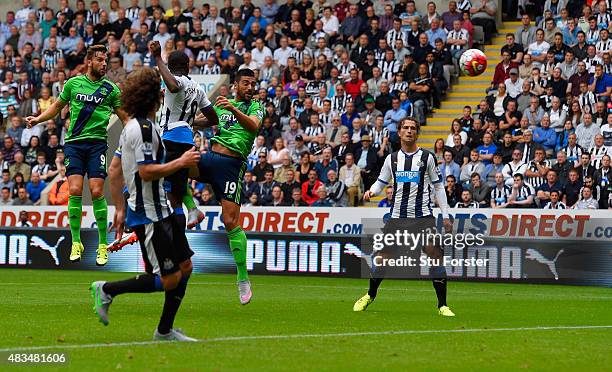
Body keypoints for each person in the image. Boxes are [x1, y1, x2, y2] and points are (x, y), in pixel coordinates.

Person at [93, 67, 200, 341]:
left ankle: (164, 330)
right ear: (155, 96)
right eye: (159, 90)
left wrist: (118, 206)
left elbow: (115, 170)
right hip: (149, 213)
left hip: (160, 208)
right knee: (168, 278)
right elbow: (146, 171)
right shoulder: (142, 129)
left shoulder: (137, 126)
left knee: (185, 267)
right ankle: (107, 289)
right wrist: (181, 162)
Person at [26, 44, 128, 266]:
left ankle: (102, 245)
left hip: (97, 145)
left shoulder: (111, 89)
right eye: (100, 60)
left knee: (96, 190)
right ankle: (76, 242)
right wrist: (37, 119)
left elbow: (124, 118)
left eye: (106, 61)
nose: (104, 64)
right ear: (89, 62)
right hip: (73, 144)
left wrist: (137, 135)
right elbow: (56, 107)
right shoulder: (73, 84)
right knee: (73, 190)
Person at [354, 117, 454, 317]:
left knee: (436, 255)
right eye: (405, 128)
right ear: (399, 132)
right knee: (382, 259)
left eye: (413, 128)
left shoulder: (427, 157)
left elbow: (438, 186)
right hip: (397, 219)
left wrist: (445, 215)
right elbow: (381, 182)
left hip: (423, 217)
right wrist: (372, 192)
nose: (409, 131)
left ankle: (442, 305)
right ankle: (370, 295)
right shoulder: (391, 159)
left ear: (417, 133)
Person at [188, 68, 263, 305]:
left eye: (253, 84)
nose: (251, 88)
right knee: (176, 166)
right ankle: (192, 209)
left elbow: (253, 126)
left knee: (230, 221)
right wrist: (187, 120)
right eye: (246, 84)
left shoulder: (255, 107)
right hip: (211, 157)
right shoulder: (223, 104)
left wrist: (233, 110)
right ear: (236, 85)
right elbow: (204, 121)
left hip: (232, 166)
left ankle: (242, 278)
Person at [150, 41, 219, 230]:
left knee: (152, 175)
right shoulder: (198, 87)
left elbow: (173, 86)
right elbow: (213, 118)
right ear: (188, 66)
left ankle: (141, 216)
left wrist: (157, 57)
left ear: (170, 68)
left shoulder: (176, 80)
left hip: (171, 137)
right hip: (187, 140)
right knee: (177, 192)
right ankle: (192, 210)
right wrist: (192, 122)